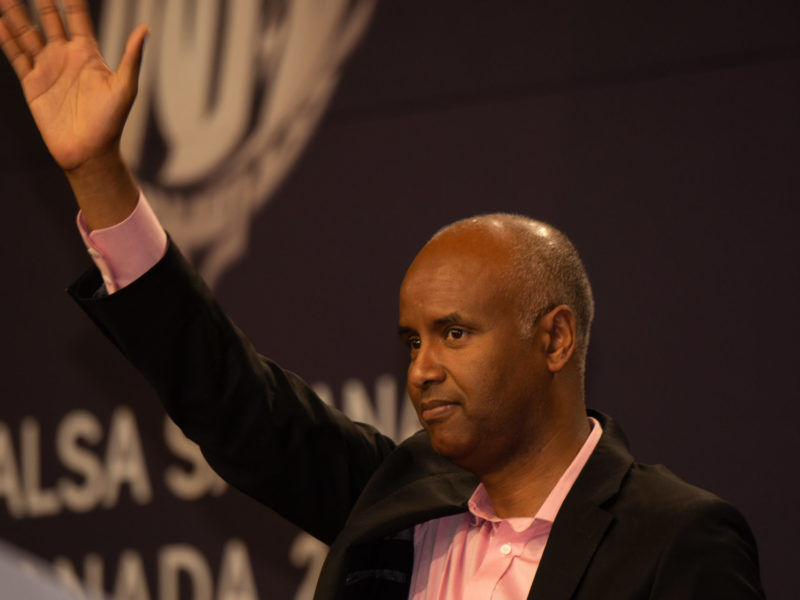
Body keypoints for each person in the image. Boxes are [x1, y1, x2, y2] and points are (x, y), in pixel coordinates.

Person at [0, 2, 764, 598]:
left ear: (555, 339)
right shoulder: (397, 499)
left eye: (455, 334)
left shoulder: (674, 537)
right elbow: (228, 397)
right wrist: (99, 172)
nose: (423, 369)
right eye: (411, 341)